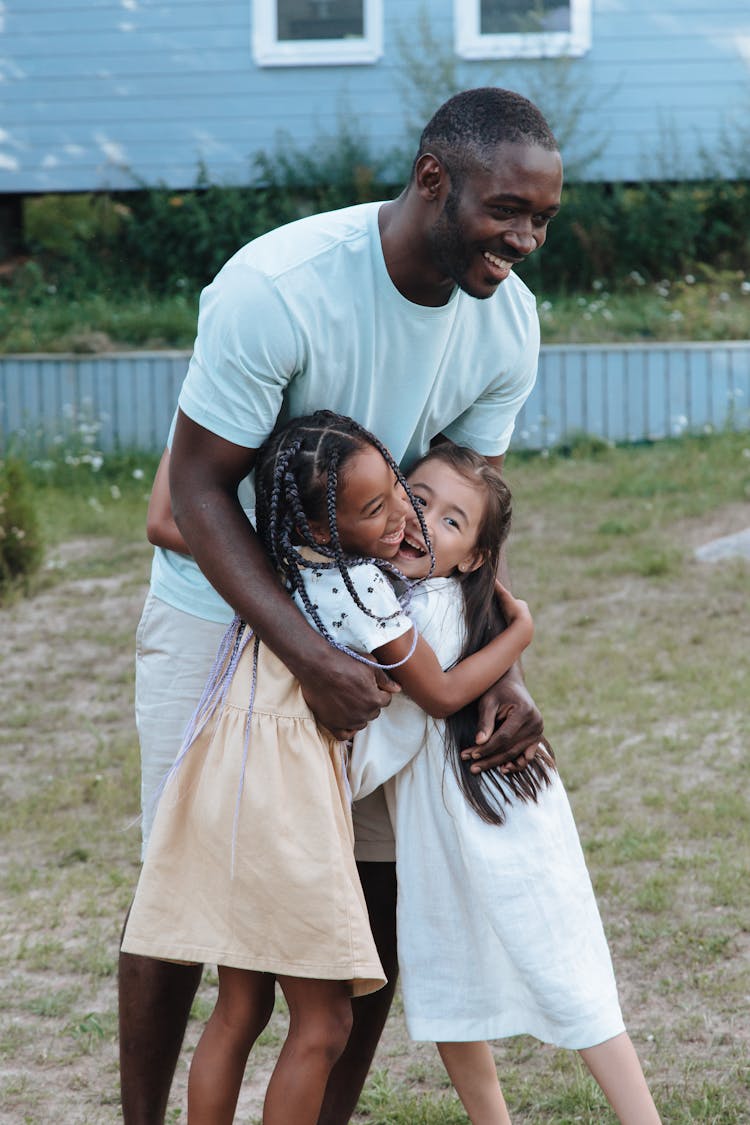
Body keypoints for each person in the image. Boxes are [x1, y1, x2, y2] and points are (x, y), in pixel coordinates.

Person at [119, 85, 563, 1125]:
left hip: (380, 628)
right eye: (508, 210)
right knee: (185, 899)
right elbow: (192, 491)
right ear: (432, 181)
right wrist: (306, 650)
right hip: (221, 617)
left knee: (375, 900)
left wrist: (498, 662)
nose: (528, 238)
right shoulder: (277, 288)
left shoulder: (509, 326)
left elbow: (464, 522)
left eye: (543, 216)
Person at [122, 413, 536, 1124]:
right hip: (287, 807)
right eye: (377, 508)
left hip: (232, 775)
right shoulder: (366, 590)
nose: (403, 513)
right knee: (324, 1024)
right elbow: (437, 692)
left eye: (400, 490)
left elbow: (175, 516)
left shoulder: (277, 556)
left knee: (241, 1007)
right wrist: (519, 633)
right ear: (325, 529)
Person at [349, 442, 662, 1125]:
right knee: (462, 975)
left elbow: (397, 728)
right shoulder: (425, 599)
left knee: (554, 970)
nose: (425, 523)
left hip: (491, 821)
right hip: (460, 826)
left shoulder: (418, 614)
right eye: (419, 500)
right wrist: (518, 631)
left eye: (453, 522)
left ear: (473, 559)